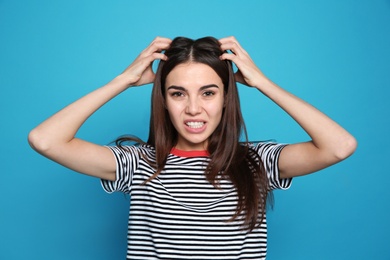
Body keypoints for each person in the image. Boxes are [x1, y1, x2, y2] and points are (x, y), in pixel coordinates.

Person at [28, 36, 357, 259]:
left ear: (226, 96)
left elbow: (339, 146)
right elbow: (45, 139)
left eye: (208, 93)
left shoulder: (258, 161)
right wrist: (124, 79)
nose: (194, 109)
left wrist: (263, 82)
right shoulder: (138, 163)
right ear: (164, 100)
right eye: (178, 93)